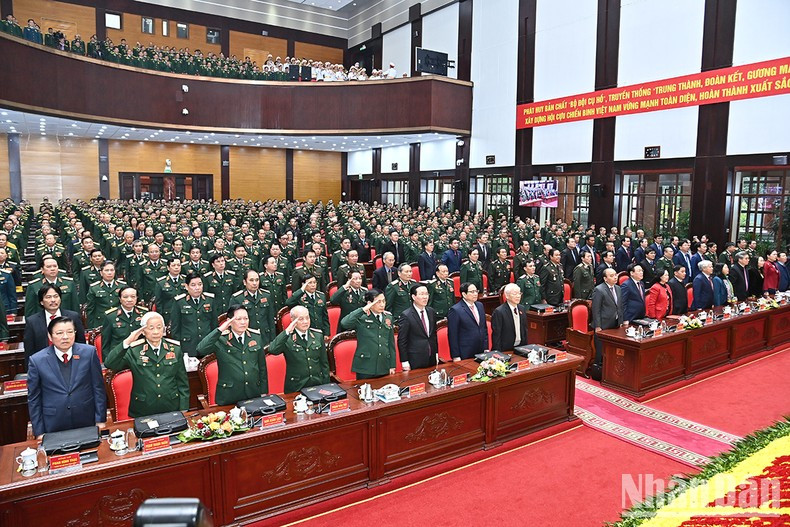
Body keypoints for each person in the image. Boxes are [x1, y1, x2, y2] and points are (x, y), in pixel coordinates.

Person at [27, 317, 106, 438]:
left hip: (86, 418)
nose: (65, 337)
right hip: (53, 422)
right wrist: (39, 431)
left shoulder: (89, 353)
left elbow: (98, 388)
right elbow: (34, 398)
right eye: (59, 333)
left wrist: (100, 420)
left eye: (70, 332)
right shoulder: (37, 360)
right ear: (50, 336)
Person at [104, 311, 190, 418]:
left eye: (159, 327)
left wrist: (184, 407)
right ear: (143, 331)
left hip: (171, 406)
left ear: (164, 330)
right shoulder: (134, 350)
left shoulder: (175, 349)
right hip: (143, 408)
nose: (155, 332)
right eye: (151, 328)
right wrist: (127, 341)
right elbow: (109, 363)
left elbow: (182, 382)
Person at [195, 305, 268, 404]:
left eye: (246, 318)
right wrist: (220, 330)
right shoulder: (221, 338)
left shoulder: (255, 337)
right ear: (229, 321)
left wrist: (263, 392)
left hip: (253, 393)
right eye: (238, 319)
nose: (243, 322)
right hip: (229, 395)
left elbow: (262, 367)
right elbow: (201, 349)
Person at [269, 305, 331, 392]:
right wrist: (287, 331)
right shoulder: (287, 338)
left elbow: (324, 364)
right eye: (301, 319)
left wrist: (326, 385)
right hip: (297, 387)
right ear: (293, 320)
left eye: (307, 318)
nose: (305, 321)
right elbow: (272, 349)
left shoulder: (317, 335)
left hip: (317, 384)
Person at [23, 284, 85, 365]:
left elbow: (81, 344)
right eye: (48, 297)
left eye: (56, 296)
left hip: (72, 363)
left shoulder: (73, 317)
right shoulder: (32, 322)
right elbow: (29, 351)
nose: (53, 300)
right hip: (44, 365)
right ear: (41, 301)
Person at [339, 289, 396, 379]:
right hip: (365, 366)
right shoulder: (362, 317)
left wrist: (392, 365)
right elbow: (344, 323)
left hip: (383, 364)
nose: (382, 304)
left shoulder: (388, 316)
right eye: (378, 302)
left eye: (384, 301)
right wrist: (363, 309)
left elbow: (391, 342)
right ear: (370, 303)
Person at [171, 273, 217, 357]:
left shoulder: (210, 300)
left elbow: (214, 325)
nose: (197, 288)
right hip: (188, 346)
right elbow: (175, 328)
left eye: (200, 284)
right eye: (193, 285)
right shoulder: (179, 302)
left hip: (207, 344)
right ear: (186, 286)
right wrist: (177, 348)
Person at [397, 284, 439, 370]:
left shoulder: (431, 311)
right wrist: (404, 361)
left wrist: (436, 353)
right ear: (413, 296)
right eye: (421, 294)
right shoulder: (406, 315)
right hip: (415, 358)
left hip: (431, 356)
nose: (425, 297)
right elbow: (402, 340)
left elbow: (433, 335)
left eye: (426, 294)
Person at [590, 268, 624, 374]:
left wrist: (621, 321)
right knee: (601, 349)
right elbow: (596, 309)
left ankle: (611, 368)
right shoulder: (599, 290)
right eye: (611, 275)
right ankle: (599, 370)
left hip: (616, 323)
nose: (615, 277)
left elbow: (620, 306)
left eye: (615, 275)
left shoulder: (618, 288)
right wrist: (598, 326)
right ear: (605, 278)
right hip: (603, 324)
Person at [100, 286, 148, 360]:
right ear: (120, 299)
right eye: (125, 297)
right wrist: (108, 361)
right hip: (119, 356)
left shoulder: (144, 313)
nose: (129, 300)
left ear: (136, 298)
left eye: (133, 297)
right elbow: (106, 343)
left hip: (140, 355)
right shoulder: (110, 316)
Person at [231, 270, 276, 345]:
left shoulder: (266, 295)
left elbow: (270, 319)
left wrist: (273, 340)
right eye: (251, 280)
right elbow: (233, 322)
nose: (255, 283)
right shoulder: (237, 298)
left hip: (265, 336)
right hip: (247, 337)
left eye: (257, 280)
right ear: (245, 282)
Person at [447, 282, 488, 361]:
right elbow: (453, 335)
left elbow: (484, 328)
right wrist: (456, 356)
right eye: (472, 292)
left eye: (476, 291)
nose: (475, 294)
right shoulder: (455, 310)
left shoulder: (480, 305)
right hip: (465, 352)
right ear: (464, 294)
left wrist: (486, 347)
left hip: (481, 350)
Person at [84, 260, 124, 329]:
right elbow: (90, 310)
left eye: (112, 270)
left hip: (119, 321)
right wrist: (91, 328)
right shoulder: (94, 288)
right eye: (107, 270)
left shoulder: (122, 286)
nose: (109, 273)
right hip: (101, 323)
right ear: (101, 273)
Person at [491, 284, 527, 351]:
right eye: (514, 294)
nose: (518, 296)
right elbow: (496, 335)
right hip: (505, 349)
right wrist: (498, 353)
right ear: (507, 295)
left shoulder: (522, 309)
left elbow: (525, 331)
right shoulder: (499, 312)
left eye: (519, 293)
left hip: (520, 348)